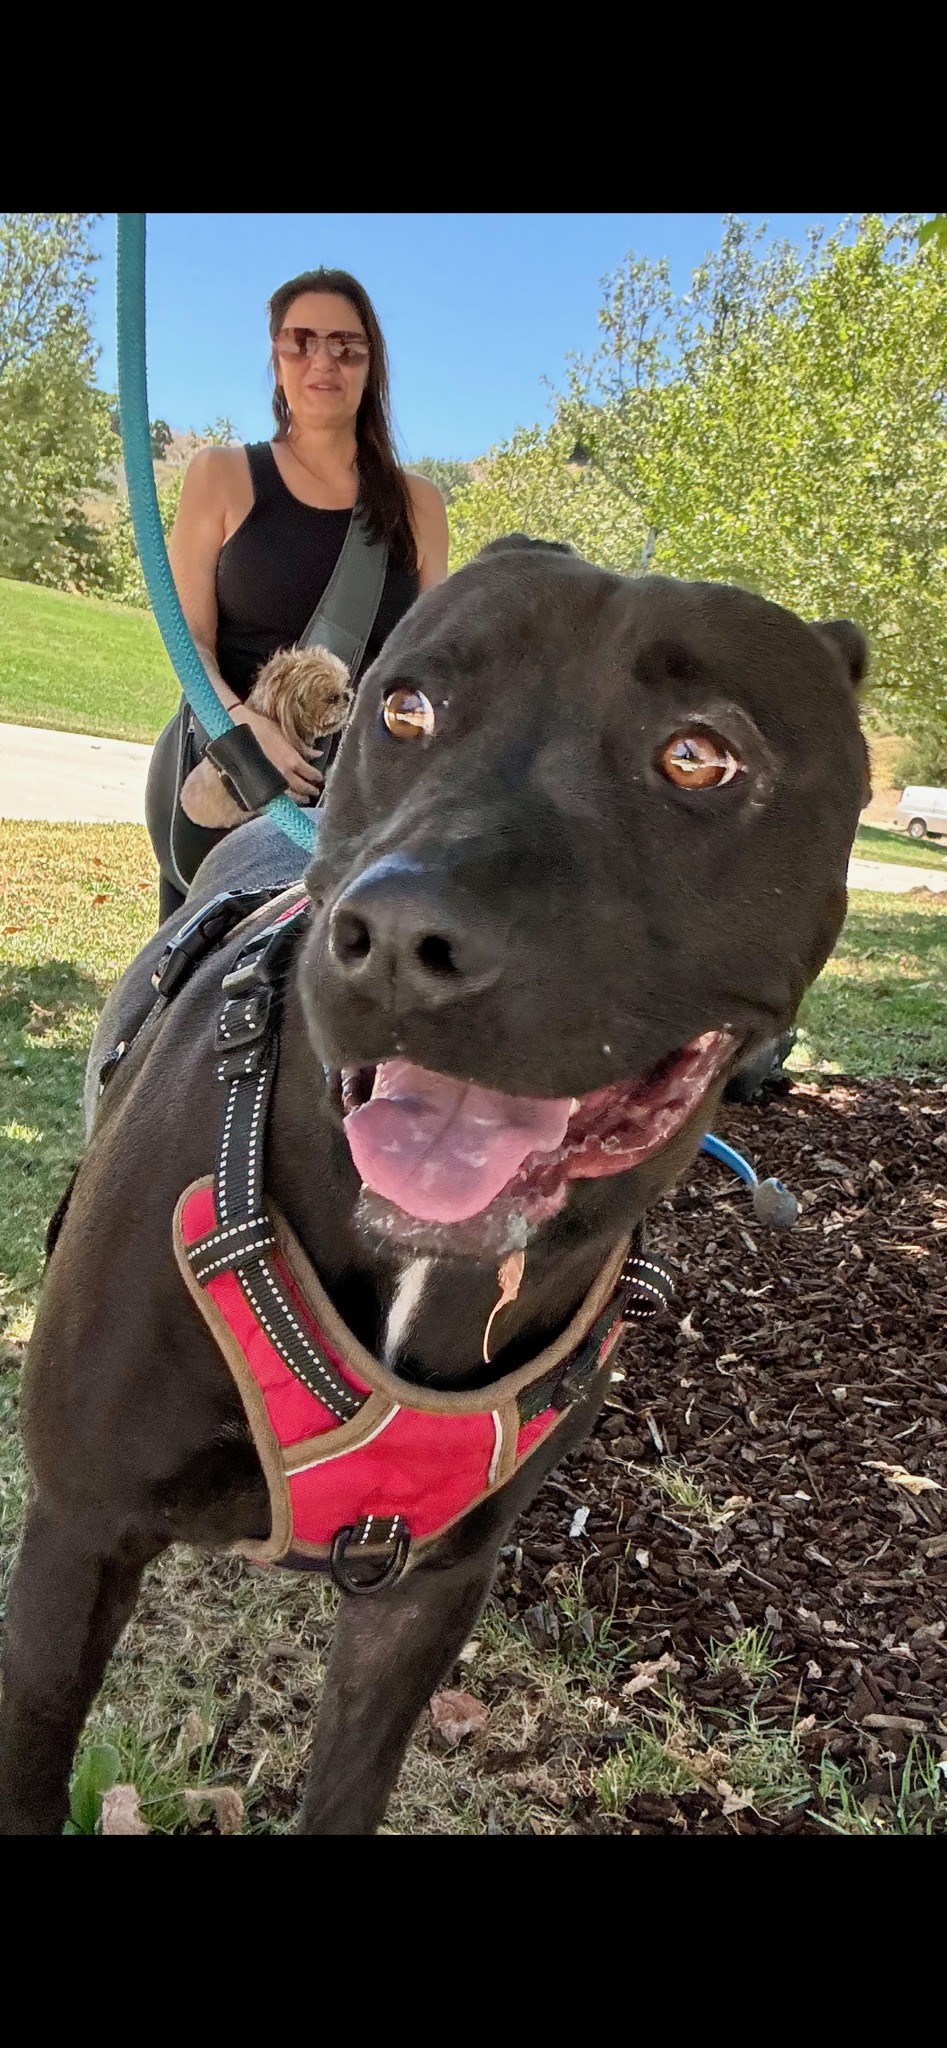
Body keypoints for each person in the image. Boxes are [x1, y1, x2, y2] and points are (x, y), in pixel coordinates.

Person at [145, 267, 449, 921]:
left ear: (371, 365)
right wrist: (241, 732)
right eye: (300, 341)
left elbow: (431, 671)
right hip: (231, 782)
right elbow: (185, 636)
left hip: (363, 807)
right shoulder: (220, 476)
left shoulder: (419, 505)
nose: (323, 361)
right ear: (276, 357)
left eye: (346, 346)